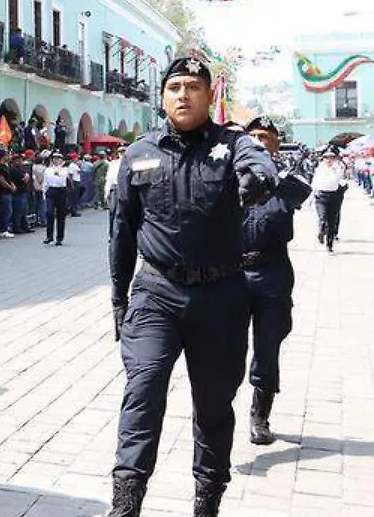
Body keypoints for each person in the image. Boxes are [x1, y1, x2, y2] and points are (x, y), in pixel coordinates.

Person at [107, 57, 278, 517]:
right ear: (163, 96)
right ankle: (125, 503)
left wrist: (258, 176)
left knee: (213, 404)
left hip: (220, 296)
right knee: (142, 389)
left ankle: (207, 501)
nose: (184, 94)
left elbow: (258, 160)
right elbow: (122, 230)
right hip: (156, 292)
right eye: (175, 86)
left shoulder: (232, 145)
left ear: (208, 95)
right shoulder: (139, 152)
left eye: (194, 87)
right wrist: (118, 299)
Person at [240, 116, 312, 446]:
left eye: (266, 137)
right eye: (253, 136)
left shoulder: (288, 179)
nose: (259, 141)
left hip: (272, 273)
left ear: (276, 142)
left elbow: (301, 190)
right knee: (223, 347)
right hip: (232, 274)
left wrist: (270, 167)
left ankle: (260, 415)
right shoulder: (230, 178)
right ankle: (216, 412)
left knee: (267, 347)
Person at [311, 148, 346, 253]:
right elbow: (314, 182)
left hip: (334, 196)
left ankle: (329, 245)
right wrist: (313, 194)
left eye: (331, 157)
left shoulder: (338, 168)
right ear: (323, 159)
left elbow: (341, 173)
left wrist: (337, 164)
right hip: (321, 196)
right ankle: (321, 233)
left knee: (332, 222)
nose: (328, 160)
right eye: (326, 158)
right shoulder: (319, 169)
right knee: (323, 218)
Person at [41, 153, 70, 246]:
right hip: (51, 191)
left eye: (58, 158)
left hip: (61, 191)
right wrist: (44, 194)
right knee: (49, 213)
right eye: (54, 158)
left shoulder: (65, 169)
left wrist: (58, 170)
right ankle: (49, 236)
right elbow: (45, 182)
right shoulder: (48, 170)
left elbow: (62, 179)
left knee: (61, 215)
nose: (56, 160)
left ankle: (59, 238)